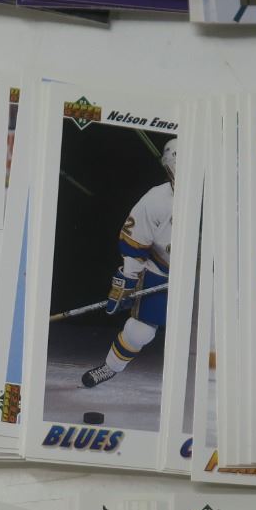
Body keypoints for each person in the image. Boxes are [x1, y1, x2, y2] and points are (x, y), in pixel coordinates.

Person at [82, 140, 176, 390]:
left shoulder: (222, 197)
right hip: (163, 271)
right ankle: (110, 367)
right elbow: (136, 244)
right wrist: (129, 279)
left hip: (208, 275)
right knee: (139, 331)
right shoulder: (155, 200)